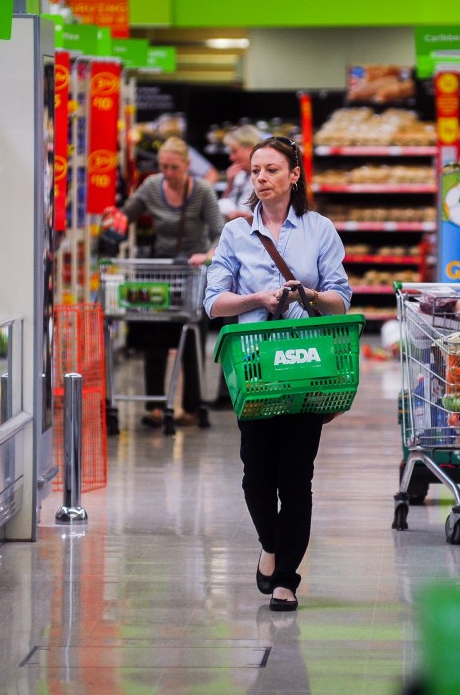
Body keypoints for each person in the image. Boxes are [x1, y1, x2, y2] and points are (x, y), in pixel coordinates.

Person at [203, 136, 352, 612]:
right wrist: (258, 300)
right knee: (255, 476)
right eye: (256, 170)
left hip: (307, 366)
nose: (262, 178)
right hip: (254, 369)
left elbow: (340, 297)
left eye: (271, 169)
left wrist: (305, 293)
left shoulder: (319, 229)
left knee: (296, 477)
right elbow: (213, 303)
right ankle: (271, 544)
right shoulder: (235, 234)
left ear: (294, 175)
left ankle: (286, 577)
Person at [121, 136, 225, 428]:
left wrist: (208, 254)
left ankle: (191, 407)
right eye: (163, 166)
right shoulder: (151, 186)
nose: (168, 172)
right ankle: (155, 406)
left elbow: (220, 231)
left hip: (192, 273)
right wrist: (112, 222)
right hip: (160, 272)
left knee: (191, 338)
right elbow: (126, 215)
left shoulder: (202, 191)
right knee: (153, 340)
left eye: (174, 167)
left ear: (187, 166)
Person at [210, 124, 266, 409]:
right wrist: (230, 187)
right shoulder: (241, 177)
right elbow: (227, 210)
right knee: (233, 327)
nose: (231, 158)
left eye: (235, 151)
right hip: (237, 260)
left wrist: (236, 211)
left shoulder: (259, 180)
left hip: (253, 262)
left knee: (249, 328)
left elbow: (247, 215)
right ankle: (231, 391)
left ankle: (247, 388)